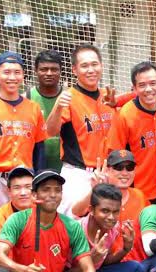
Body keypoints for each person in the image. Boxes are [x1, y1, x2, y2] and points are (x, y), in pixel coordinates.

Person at [0, 51, 48, 224]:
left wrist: (39, 183)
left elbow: (40, 148)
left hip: (25, 181)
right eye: (6, 72)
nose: (12, 77)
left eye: (17, 72)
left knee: (25, 231)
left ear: (23, 75)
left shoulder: (33, 108)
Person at [45, 44, 116, 215]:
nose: (91, 69)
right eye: (84, 66)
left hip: (108, 173)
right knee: (73, 225)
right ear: (75, 70)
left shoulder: (108, 96)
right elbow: (50, 131)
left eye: (94, 64)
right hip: (79, 174)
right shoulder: (69, 97)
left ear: (101, 66)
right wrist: (57, 107)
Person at [108, 61, 156, 202]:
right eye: (142, 85)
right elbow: (114, 154)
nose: (148, 89)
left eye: (153, 83)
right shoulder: (125, 115)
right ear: (134, 88)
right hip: (137, 192)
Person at [71, 150, 150, 224]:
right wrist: (94, 190)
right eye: (119, 168)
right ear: (107, 171)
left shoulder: (140, 196)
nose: (125, 173)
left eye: (130, 168)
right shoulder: (98, 194)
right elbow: (76, 213)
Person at [27, 50, 64, 171]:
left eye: (54, 69)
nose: (49, 73)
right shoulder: (26, 98)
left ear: (60, 71)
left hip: (67, 166)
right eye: (44, 69)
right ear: (36, 71)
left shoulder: (69, 96)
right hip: (36, 164)